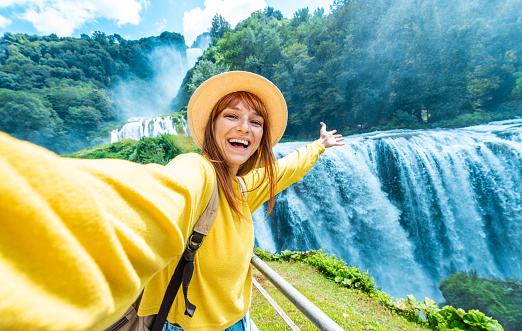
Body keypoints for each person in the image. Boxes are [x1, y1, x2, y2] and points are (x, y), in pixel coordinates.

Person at [0, 71, 344, 331]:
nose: (245, 128)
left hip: (237, 321)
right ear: (211, 127)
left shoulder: (240, 189)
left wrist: (318, 146)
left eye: (255, 122)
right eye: (231, 116)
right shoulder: (197, 171)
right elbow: (155, 195)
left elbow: (286, 168)